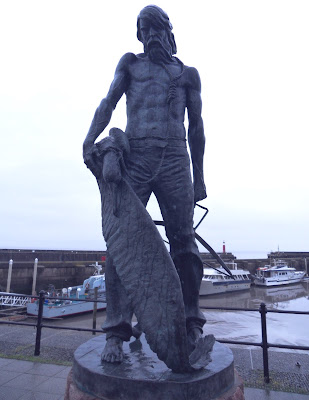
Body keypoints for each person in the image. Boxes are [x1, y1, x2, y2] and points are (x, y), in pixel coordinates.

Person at [83, 5, 207, 363]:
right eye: (144, 29)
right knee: (123, 244)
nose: (150, 34)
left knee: (184, 243)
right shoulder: (130, 65)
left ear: (170, 32)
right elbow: (109, 102)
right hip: (135, 156)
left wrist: (199, 176)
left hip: (174, 158)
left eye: (156, 28)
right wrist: (90, 138)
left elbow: (197, 128)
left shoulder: (188, 74)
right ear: (139, 34)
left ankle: (190, 323)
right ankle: (116, 333)